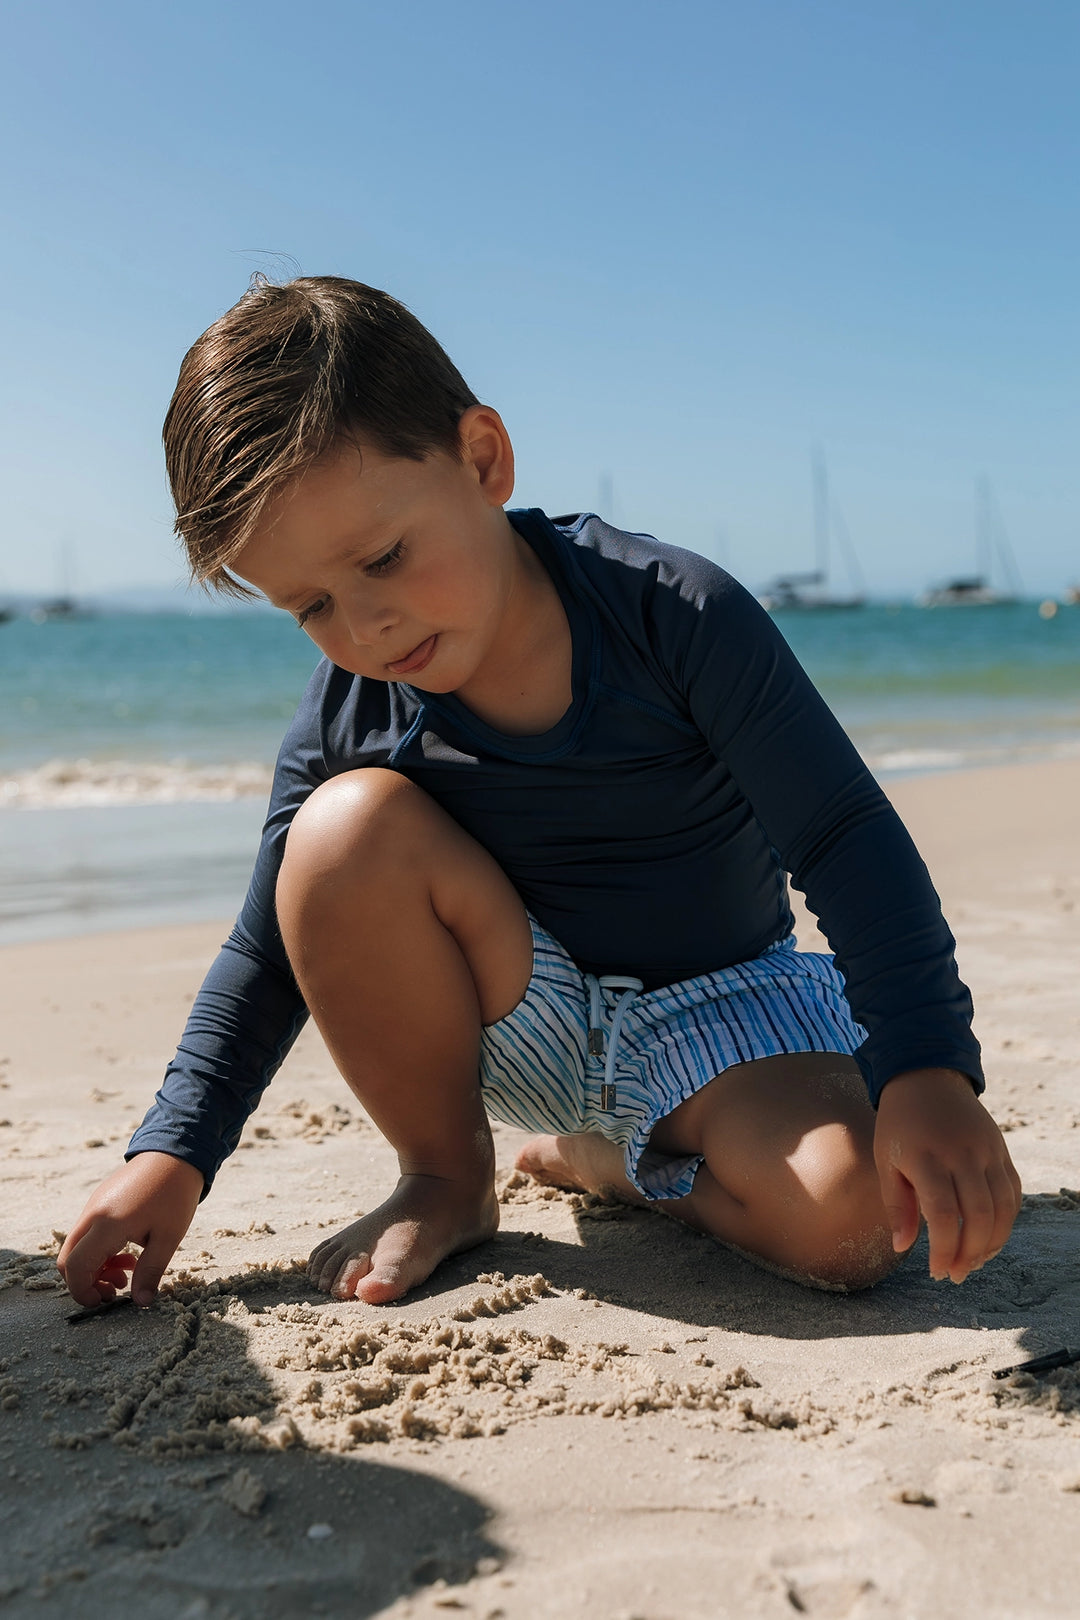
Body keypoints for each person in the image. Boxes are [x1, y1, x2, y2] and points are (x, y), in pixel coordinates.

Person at [58, 276, 1021, 1312]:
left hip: (727, 1013)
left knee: (855, 1222)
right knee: (336, 835)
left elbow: (840, 835)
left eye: (384, 557)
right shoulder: (352, 713)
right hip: (517, 1021)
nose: (366, 627)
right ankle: (446, 1176)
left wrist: (928, 1066)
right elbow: (264, 955)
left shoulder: (674, 615)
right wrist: (171, 1156)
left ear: (482, 459)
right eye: (312, 606)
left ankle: (617, 1168)